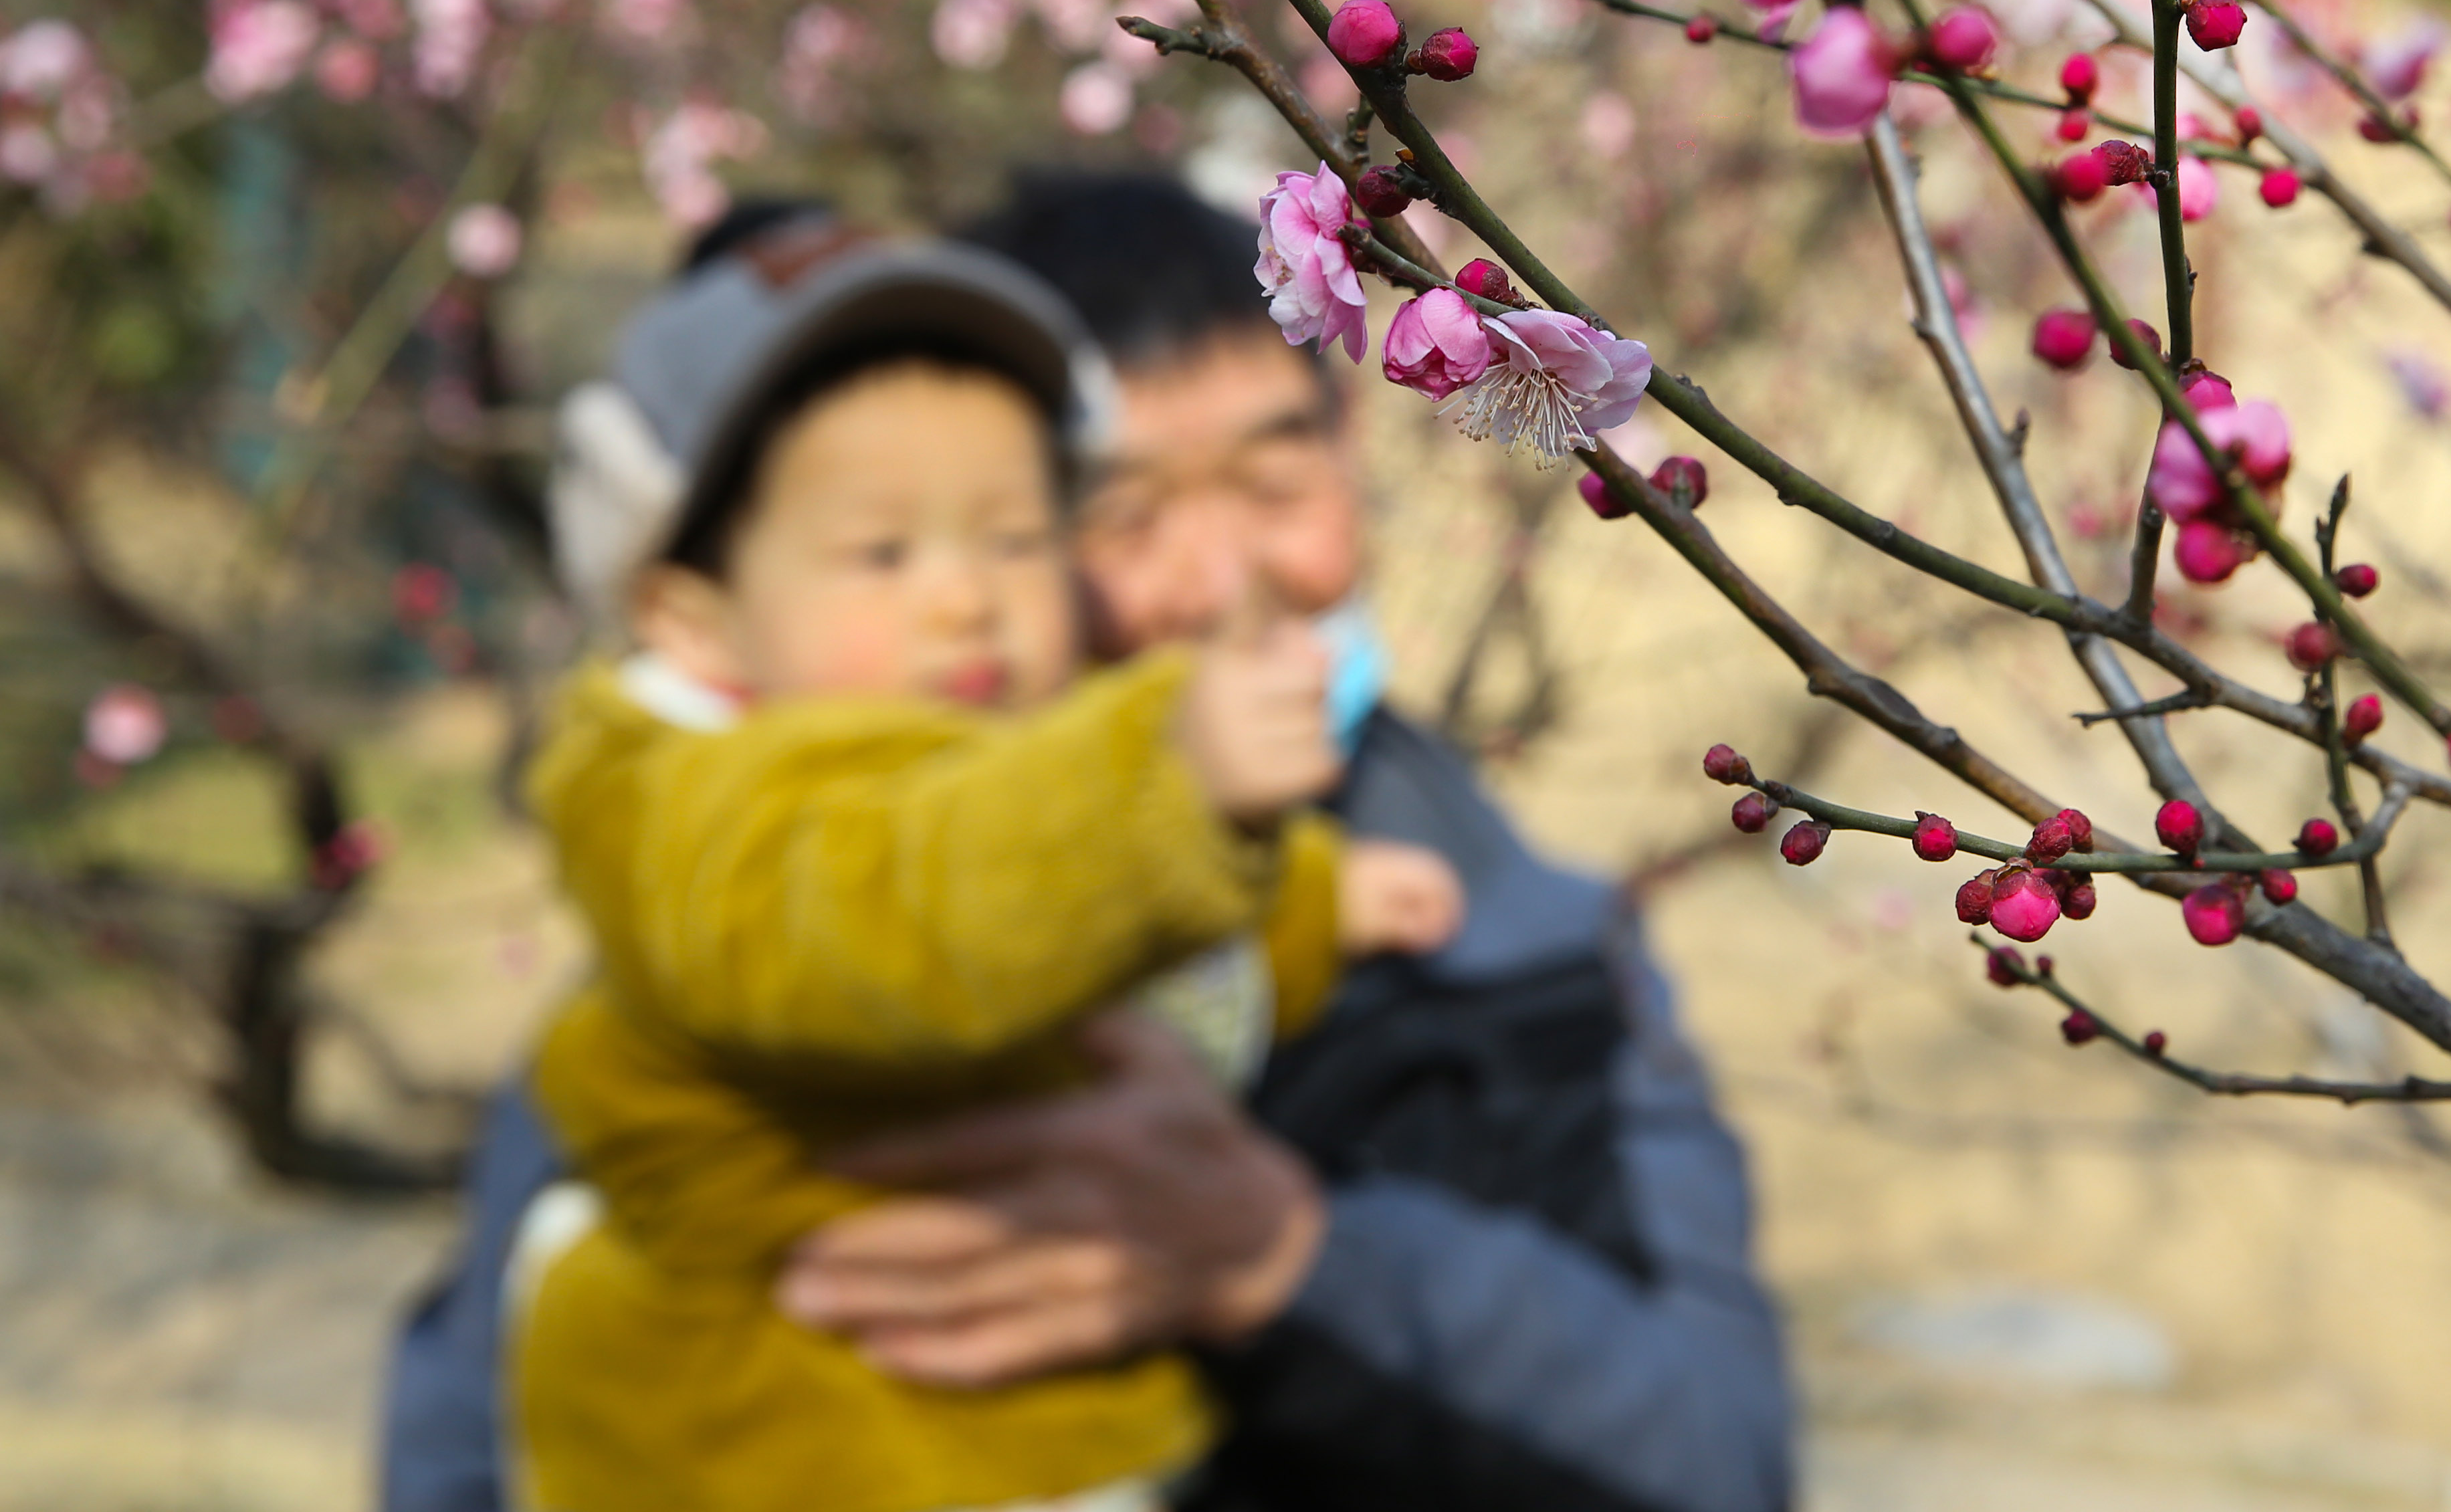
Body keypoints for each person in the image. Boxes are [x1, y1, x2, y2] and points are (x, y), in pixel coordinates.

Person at [381, 173, 1794, 1512]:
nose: (1221, 581)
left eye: (1273, 477)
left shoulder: (1520, 954)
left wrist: (1282, 1259)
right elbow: (463, 1433)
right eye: (1120, 514)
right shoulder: (761, 901)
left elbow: (1716, 1463)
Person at [504, 215, 1462, 1512]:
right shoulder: (709, 813)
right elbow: (909, 901)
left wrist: (1307, 899)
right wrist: (1164, 778)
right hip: (793, 1450)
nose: (965, 597)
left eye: (1015, 540)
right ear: (693, 613)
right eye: (883, 553)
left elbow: (1133, 945)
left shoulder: (1019, 777)